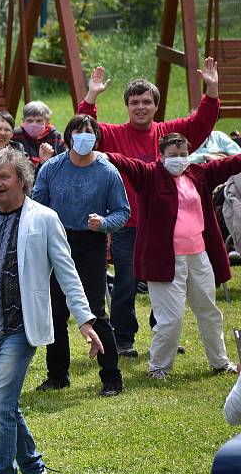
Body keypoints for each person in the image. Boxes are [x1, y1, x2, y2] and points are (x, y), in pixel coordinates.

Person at [0, 149, 104, 474]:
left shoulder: (44, 219)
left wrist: (84, 319)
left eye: (4, 177)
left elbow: (68, 274)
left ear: (22, 180)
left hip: (21, 329)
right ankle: (35, 470)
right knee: (3, 405)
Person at [77, 58, 221, 357]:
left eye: (145, 102)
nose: (140, 107)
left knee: (165, 283)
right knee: (126, 284)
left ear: (156, 105)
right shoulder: (114, 134)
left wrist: (212, 88)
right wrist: (91, 96)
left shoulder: (169, 133)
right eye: (133, 102)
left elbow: (202, 123)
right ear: (127, 107)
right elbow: (84, 130)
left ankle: (164, 336)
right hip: (126, 224)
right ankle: (123, 340)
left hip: (163, 227)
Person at [104, 133, 239, 379]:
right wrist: (103, 155)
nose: (179, 160)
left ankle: (220, 361)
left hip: (198, 256)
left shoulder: (199, 174)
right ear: (162, 155)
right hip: (164, 260)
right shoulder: (149, 176)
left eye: (183, 155)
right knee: (170, 318)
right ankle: (158, 367)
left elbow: (229, 164)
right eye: (173, 155)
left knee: (209, 311)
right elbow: (126, 163)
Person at [32, 114, 129, 396]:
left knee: (96, 311)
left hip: (91, 243)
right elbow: (37, 204)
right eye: (78, 132)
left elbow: (123, 211)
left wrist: (105, 223)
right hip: (58, 241)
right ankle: (57, 375)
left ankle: (111, 377)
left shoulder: (107, 172)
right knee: (56, 311)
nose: (84, 137)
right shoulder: (51, 168)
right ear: (68, 137)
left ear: (96, 138)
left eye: (89, 132)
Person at [10, 101, 65, 167]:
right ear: (23, 120)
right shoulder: (16, 135)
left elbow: (62, 162)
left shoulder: (55, 136)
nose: (34, 124)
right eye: (29, 121)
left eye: (39, 121)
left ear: (46, 121)